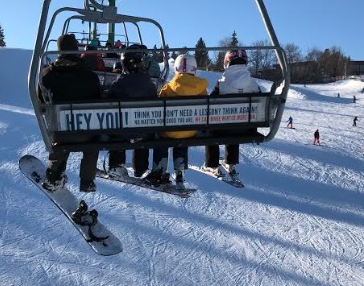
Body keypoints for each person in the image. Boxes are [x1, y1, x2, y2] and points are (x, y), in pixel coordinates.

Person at [39, 33, 102, 192]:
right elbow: (99, 98)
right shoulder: (90, 75)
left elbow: (40, 98)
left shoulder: (47, 74)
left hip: (60, 131)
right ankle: (87, 181)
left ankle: (54, 176)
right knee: (92, 144)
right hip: (86, 131)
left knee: (60, 140)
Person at [144, 54, 209, 188]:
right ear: (194, 69)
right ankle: (180, 172)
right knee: (183, 137)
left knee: (161, 136)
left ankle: (159, 169)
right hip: (189, 131)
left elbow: (159, 107)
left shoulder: (169, 87)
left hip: (169, 131)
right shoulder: (201, 89)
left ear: (176, 68)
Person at [203, 49, 261, 179]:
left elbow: (210, 104)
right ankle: (231, 162)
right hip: (246, 130)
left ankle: (212, 164)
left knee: (214, 127)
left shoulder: (222, 83)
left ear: (227, 62)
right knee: (238, 120)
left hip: (222, 130)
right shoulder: (253, 84)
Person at [107, 44, 158, 178]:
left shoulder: (120, 83)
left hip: (123, 130)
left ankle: (116, 165)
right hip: (144, 130)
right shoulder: (148, 83)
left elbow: (109, 100)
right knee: (143, 129)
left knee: (116, 127)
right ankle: (141, 168)